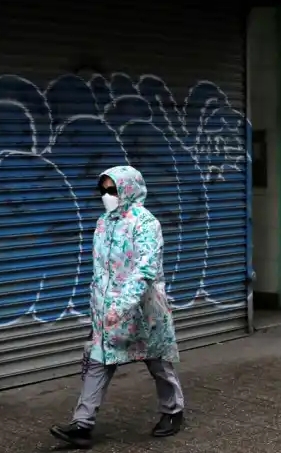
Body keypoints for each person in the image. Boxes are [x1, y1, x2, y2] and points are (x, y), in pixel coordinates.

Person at [50, 166, 185, 449]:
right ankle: (82, 425)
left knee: (158, 361)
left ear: (128, 188)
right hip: (107, 311)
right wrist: (98, 305)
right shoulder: (103, 223)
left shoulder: (145, 223)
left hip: (142, 309)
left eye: (112, 190)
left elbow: (145, 269)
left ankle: (173, 412)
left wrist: (122, 305)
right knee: (97, 362)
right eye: (103, 190)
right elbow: (100, 270)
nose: (107, 196)